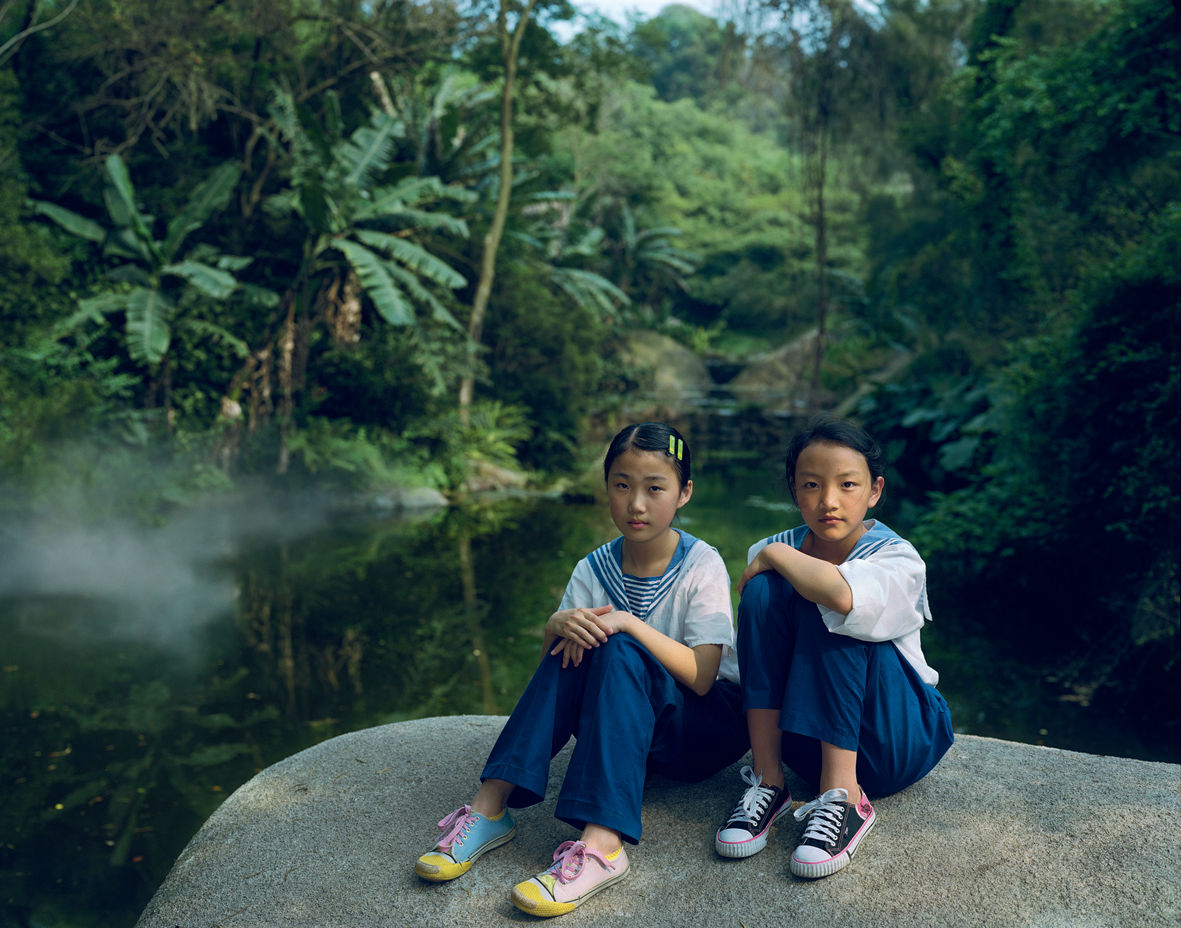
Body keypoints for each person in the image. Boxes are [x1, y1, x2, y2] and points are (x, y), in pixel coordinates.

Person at [415, 422, 748, 916]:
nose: (636, 503)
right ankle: (489, 809)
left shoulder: (702, 564)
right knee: (577, 638)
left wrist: (630, 624)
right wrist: (556, 625)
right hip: (629, 731)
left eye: (655, 488)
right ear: (607, 488)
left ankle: (602, 846)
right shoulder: (592, 568)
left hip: (700, 728)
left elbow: (702, 675)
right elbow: (562, 675)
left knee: (615, 643)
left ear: (684, 494)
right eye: (622, 485)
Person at [714, 416, 953, 878]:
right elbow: (754, 660)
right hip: (809, 740)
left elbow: (843, 596)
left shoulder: (897, 557)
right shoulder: (770, 551)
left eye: (847, 485)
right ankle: (769, 782)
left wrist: (779, 556)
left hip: (896, 737)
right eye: (811, 485)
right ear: (793, 489)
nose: (829, 501)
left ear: (875, 490)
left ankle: (845, 798)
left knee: (826, 595)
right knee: (764, 592)